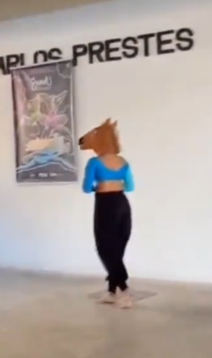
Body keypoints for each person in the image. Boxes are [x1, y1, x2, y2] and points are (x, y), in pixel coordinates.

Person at [79, 119, 135, 309]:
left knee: (105, 248)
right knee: (117, 248)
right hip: (122, 204)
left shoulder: (94, 163)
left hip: (105, 205)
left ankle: (124, 291)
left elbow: (87, 188)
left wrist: (98, 185)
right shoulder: (124, 162)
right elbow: (130, 186)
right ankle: (111, 292)